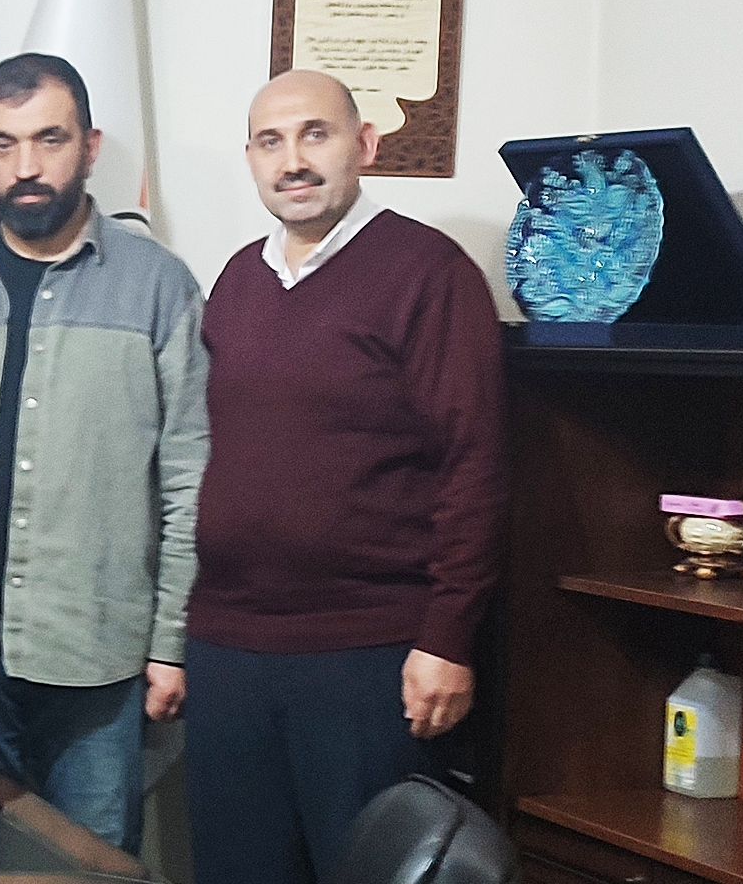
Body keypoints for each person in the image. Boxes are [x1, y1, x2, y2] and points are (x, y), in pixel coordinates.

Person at [0, 53, 206, 855]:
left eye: (49, 140)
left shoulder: (158, 286)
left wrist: (170, 643)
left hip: (92, 660)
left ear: (90, 147)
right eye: (3, 143)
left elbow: (187, 478)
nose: (25, 166)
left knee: (88, 867)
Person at [185, 69, 507, 884]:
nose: (293, 160)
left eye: (315, 134)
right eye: (271, 141)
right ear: (252, 160)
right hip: (229, 647)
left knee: (365, 870)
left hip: (368, 652)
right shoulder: (237, 279)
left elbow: (474, 464)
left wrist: (446, 638)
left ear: (364, 145)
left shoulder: (428, 273)